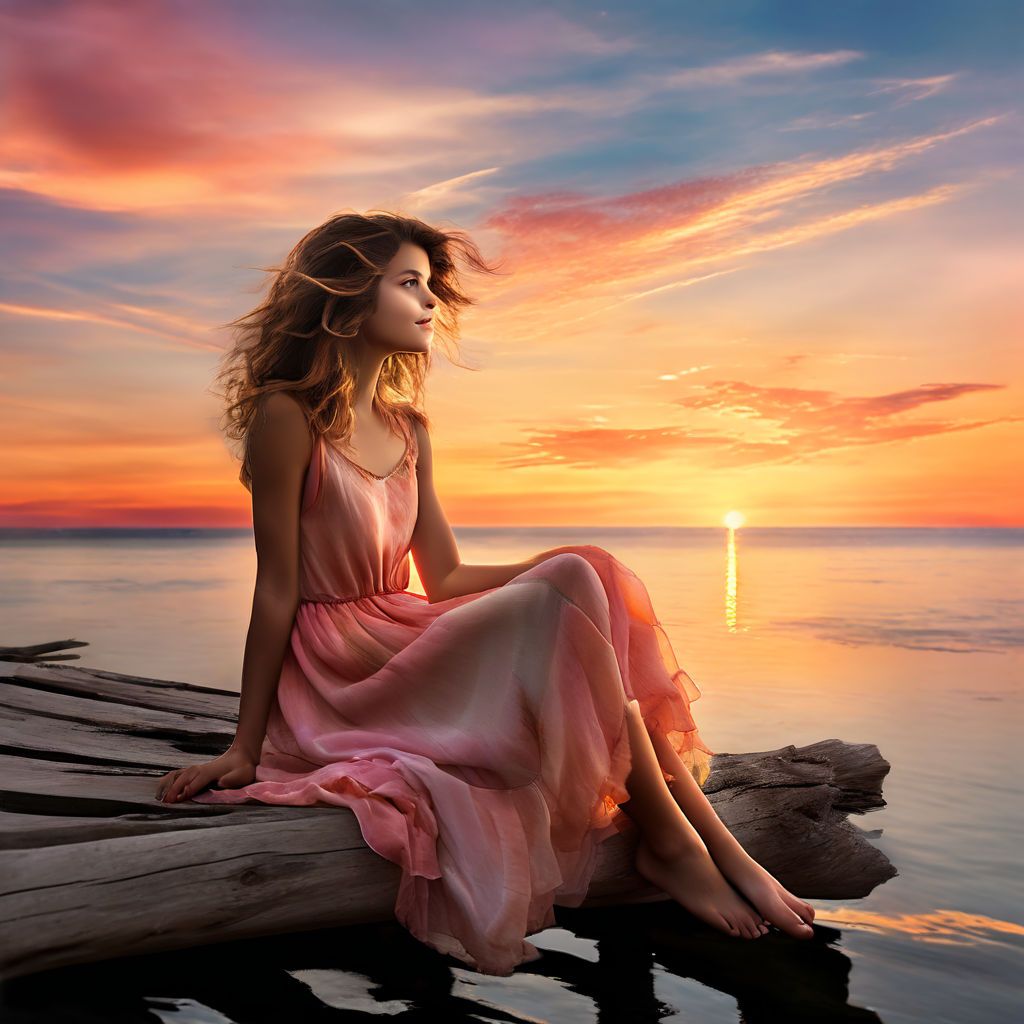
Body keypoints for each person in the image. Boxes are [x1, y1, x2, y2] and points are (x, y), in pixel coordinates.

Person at [154, 211, 815, 975]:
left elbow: (446, 580)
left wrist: (562, 564)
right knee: (569, 590)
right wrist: (245, 747)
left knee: (585, 569)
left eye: (431, 286)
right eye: (409, 284)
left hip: (402, 628)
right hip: (340, 672)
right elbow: (275, 593)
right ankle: (686, 845)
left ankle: (705, 844)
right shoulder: (287, 416)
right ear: (343, 301)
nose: (430, 302)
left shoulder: (408, 428)